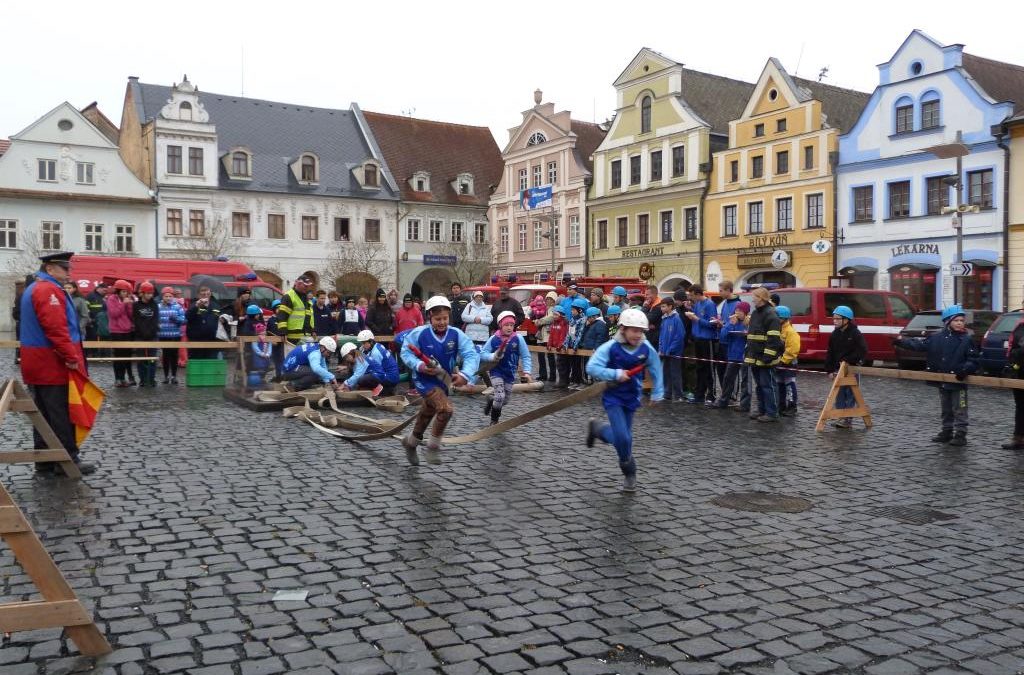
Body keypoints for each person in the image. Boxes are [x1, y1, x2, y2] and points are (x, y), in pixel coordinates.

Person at [19, 252, 96, 475]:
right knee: (60, 412)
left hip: (39, 360)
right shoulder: (48, 290)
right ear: (50, 268)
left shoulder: (36, 287)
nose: (69, 272)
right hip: (51, 362)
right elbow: (56, 329)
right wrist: (71, 357)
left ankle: (45, 460)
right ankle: (66, 460)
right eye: (65, 268)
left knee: (43, 414)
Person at [585, 308, 664, 492]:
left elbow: (655, 367)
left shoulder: (645, 347)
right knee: (623, 437)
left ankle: (598, 429)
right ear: (623, 329)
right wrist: (615, 374)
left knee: (624, 439)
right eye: (634, 330)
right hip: (613, 397)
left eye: (641, 331)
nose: (638, 335)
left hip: (632, 397)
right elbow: (592, 367)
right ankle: (630, 473)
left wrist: (657, 392)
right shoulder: (610, 347)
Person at [400, 296, 479, 466]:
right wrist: (419, 365)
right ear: (430, 317)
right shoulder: (419, 333)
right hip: (423, 380)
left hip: (443, 381)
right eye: (437, 319)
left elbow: (471, 354)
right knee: (446, 409)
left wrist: (465, 374)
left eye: (445, 318)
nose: (442, 322)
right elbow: (405, 352)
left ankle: (411, 443)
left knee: (427, 412)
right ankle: (433, 446)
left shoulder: (456, 334)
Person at [894, 305, 978, 446]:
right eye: (956, 320)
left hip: (959, 381)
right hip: (941, 380)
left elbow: (974, 359)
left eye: (962, 320)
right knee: (946, 408)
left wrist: (965, 370)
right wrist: (902, 342)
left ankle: (960, 434)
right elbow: (920, 345)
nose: (959, 323)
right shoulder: (936, 338)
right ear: (947, 322)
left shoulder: (966, 339)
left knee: (960, 408)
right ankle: (947, 431)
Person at [480, 311, 533, 425]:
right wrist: (493, 356)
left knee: (505, 400)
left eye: (511, 325)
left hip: (510, 373)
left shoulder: (518, 338)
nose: (509, 328)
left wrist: (527, 372)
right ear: (500, 325)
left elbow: (526, 356)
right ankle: (494, 421)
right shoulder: (494, 339)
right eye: (506, 325)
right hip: (496, 371)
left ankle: (491, 400)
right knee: (500, 396)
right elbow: (483, 354)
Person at [824, 305, 867, 429]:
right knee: (839, 393)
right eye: (834, 318)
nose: (835, 321)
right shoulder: (835, 334)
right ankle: (840, 416)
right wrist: (829, 369)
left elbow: (862, 350)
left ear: (846, 320)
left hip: (851, 368)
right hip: (838, 369)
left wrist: (849, 361)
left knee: (850, 393)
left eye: (838, 319)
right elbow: (830, 352)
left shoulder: (855, 333)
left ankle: (847, 419)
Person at [744, 287, 783, 422]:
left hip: (766, 359)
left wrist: (767, 357)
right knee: (760, 386)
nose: (752, 299)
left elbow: (773, 339)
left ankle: (772, 413)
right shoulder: (756, 313)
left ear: (761, 298)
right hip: (755, 357)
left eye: (754, 297)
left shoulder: (771, 314)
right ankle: (762, 410)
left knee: (768, 386)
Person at [683, 285, 719, 405]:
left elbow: (712, 324)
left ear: (698, 294)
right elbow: (698, 316)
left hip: (707, 340)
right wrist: (691, 310)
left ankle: (711, 395)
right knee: (700, 368)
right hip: (698, 339)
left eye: (692, 295)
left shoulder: (710, 304)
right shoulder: (698, 304)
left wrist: (696, 318)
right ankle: (699, 395)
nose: (690, 297)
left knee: (709, 369)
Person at [713, 301, 752, 412]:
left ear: (745, 312)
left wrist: (747, 333)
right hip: (733, 355)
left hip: (745, 355)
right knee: (727, 378)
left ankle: (745, 404)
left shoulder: (749, 323)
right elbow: (723, 337)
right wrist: (730, 324)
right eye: (736, 310)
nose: (737, 312)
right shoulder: (732, 321)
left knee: (745, 381)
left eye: (740, 311)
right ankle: (724, 401)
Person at [340, 330, 400, 396]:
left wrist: (350, 382)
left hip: (390, 377)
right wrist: (347, 367)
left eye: (364, 343)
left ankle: (379, 388)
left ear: (371, 341)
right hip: (384, 374)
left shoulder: (376, 353)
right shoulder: (374, 346)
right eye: (361, 343)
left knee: (361, 379)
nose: (362, 346)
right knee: (358, 374)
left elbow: (376, 369)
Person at [106, 279, 136, 387]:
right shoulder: (111, 299)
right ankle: (117, 378)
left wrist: (130, 305)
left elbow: (131, 316)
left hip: (127, 330)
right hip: (116, 330)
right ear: (118, 291)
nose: (125, 294)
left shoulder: (127, 299)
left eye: (126, 292)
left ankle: (123, 378)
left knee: (126, 355)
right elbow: (114, 314)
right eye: (123, 291)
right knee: (118, 355)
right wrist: (123, 304)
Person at [132, 282, 160, 387]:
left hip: (152, 335)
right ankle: (142, 379)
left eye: (151, 293)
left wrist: (150, 332)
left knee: (152, 359)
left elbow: (155, 320)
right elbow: (136, 321)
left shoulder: (154, 305)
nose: (150, 295)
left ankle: (151, 379)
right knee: (141, 359)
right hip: (140, 335)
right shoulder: (136, 305)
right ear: (142, 293)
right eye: (147, 293)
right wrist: (142, 332)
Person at [715, 281, 741, 394]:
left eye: (721, 291)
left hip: (732, 342)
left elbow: (736, 323)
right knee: (720, 369)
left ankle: (732, 394)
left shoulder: (738, 304)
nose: (719, 293)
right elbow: (725, 320)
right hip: (722, 340)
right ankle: (725, 393)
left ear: (728, 290)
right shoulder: (725, 303)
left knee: (731, 372)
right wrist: (719, 322)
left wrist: (723, 325)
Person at [1002, 314, 1024, 449]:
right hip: (1020, 371)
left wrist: (1015, 356)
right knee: (1021, 405)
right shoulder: (1020, 325)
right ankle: (1019, 438)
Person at [657, 297, 685, 402]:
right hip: (665, 352)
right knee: (666, 373)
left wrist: (671, 349)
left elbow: (679, 336)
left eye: (664, 306)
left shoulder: (676, 319)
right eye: (661, 306)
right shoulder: (664, 319)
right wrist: (661, 348)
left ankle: (679, 395)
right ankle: (667, 394)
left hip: (674, 353)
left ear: (670, 306)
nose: (662, 308)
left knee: (675, 374)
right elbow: (661, 335)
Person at [776, 306, 801, 416]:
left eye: (778, 318)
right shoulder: (778, 330)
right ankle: (781, 405)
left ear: (784, 318)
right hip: (779, 362)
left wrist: (783, 361)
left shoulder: (791, 332)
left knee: (789, 384)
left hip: (789, 363)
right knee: (779, 384)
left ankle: (792, 406)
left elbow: (793, 349)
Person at [158, 286, 186, 384]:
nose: (168, 298)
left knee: (174, 356)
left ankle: (174, 376)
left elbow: (184, 320)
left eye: (170, 296)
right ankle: (166, 376)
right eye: (166, 296)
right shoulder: (158, 307)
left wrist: (176, 319)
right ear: (163, 297)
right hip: (163, 335)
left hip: (175, 335)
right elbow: (155, 320)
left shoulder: (178, 307)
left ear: (173, 297)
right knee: (165, 356)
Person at [186, 286, 222, 360]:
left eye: (207, 293)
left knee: (210, 361)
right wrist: (196, 307)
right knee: (196, 360)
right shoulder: (194, 305)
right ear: (199, 295)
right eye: (203, 293)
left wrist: (222, 318)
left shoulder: (215, 305)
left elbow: (217, 317)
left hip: (212, 339)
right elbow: (188, 317)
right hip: (196, 339)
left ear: (210, 294)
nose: (205, 295)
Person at [275, 277, 314, 343]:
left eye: (308, 286)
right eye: (305, 286)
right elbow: (282, 315)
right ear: (298, 283)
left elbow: (310, 317)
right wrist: (283, 332)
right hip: (292, 338)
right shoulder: (289, 296)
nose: (307, 288)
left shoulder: (306, 298)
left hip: (306, 337)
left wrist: (313, 329)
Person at [533, 291, 558, 382]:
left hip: (548, 336)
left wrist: (539, 321)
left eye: (550, 299)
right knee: (541, 356)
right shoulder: (545, 309)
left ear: (554, 301)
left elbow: (550, 318)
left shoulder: (554, 309)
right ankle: (543, 374)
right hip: (542, 335)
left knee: (550, 356)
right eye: (547, 299)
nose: (548, 301)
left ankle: (552, 376)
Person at [579, 306, 609, 383]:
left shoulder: (600, 324)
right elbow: (585, 334)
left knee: (594, 367)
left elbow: (600, 337)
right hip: (588, 349)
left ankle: (593, 382)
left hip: (593, 350)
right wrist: (586, 326)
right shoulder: (592, 324)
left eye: (589, 318)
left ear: (594, 317)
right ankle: (590, 381)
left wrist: (596, 348)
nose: (588, 319)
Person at [565, 297, 589, 389]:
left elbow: (580, 334)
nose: (572, 311)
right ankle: (575, 381)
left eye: (573, 310)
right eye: (571, 310)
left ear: (580, 310)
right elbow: (569, 333)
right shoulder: (572, 319)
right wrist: (566, 344)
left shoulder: (583, 320)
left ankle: (582, 381)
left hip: (579, 346)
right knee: (573, 364)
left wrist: (575, 346)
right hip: (572, 346)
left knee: (580, 365)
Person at [549, 306, 570, 388]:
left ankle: (563, 381)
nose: (554, 316)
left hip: (561, 348)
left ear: (561, 315)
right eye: (553, 314)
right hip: (556, 347)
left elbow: (563, 336)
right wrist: (549, 344)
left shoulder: (563, 323)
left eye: (556, 315)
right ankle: (562, 380)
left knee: (562, 364)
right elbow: (551, 335)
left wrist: (560, 345)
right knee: (559, 364)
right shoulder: (553, 323)